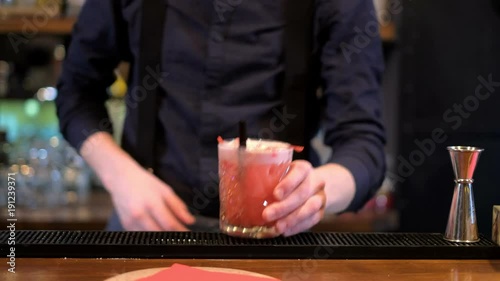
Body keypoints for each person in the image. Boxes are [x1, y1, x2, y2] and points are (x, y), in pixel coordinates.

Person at [55, 0, 386, 236]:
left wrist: (316, 192)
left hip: (274, 237)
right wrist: (121, 176)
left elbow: (363, 142)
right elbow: (76, 91)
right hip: (146, 224)